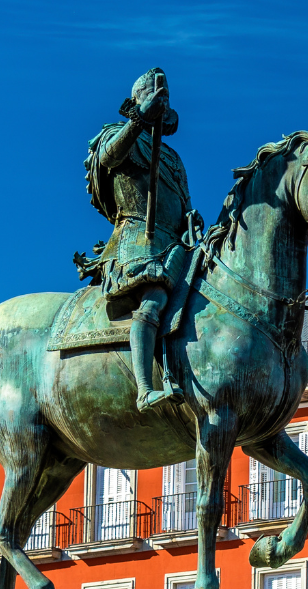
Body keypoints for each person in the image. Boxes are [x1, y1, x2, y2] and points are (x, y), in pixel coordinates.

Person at [80, 68, 192, 411]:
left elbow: (181, 203)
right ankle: (144, 388)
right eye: (156, 98)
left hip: (176, 242)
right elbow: (110, 157)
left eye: (166, 100)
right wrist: (140, 120)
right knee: (154, 298)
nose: (163, 104)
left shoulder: (173, 158)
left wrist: (191, 219)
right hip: (137, 237)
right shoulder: (116, 133)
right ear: (137, 100)